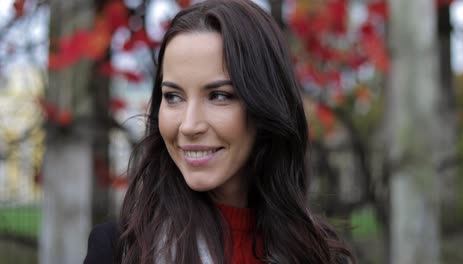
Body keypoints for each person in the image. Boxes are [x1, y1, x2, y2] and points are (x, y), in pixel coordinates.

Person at [84, 0, 355, 263]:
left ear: (264, 103)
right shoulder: (119, 252)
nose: (189, 125)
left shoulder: (318, 254)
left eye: (219, 96)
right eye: (173, 97)